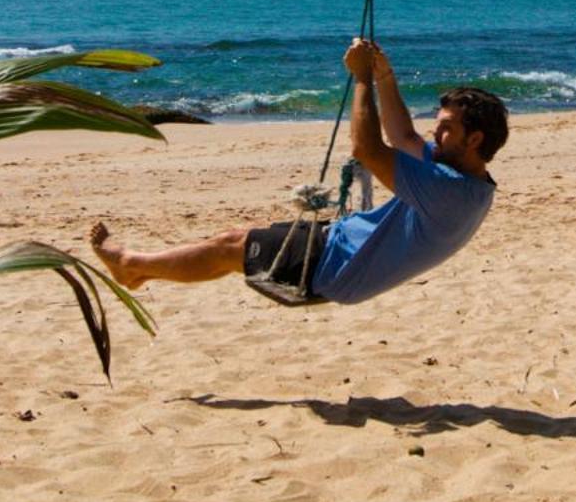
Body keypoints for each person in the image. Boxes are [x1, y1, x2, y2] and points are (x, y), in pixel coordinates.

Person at [89, 39, 508, 305]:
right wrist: (385, 76)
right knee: (235, 241)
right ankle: (139, 269)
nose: (436, 132)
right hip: (337, 243)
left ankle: (132, 264)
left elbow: (368, 148)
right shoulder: (464, 175)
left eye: (447, 127)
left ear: (475, 140)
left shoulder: (450, 192)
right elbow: (401, 135)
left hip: (337, 269)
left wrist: (361, 79)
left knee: (227, 248)